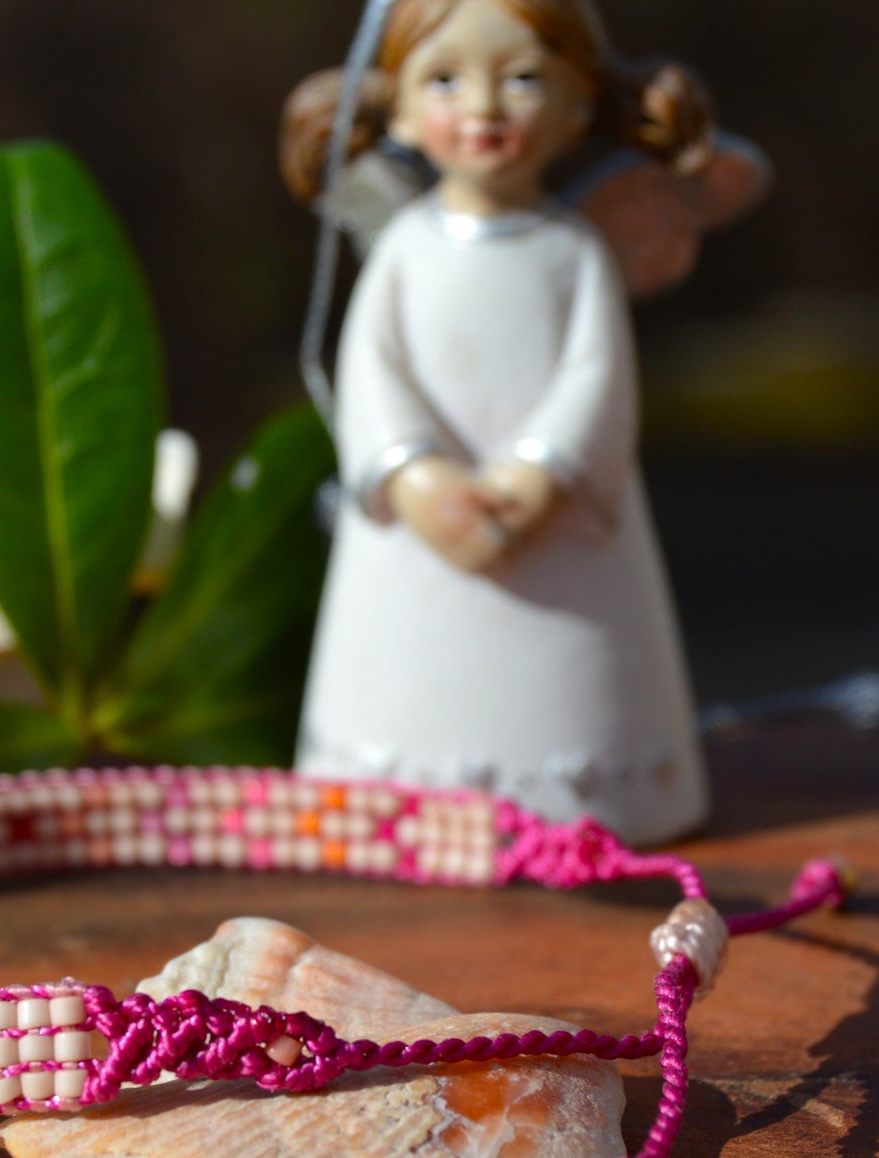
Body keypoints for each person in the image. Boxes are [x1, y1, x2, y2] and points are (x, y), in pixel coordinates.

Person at [286, 0, 727, 844]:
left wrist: (540, 471)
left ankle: (592, 795)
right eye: (443, 80)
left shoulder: (573, 254)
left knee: (564, 682)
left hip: (560, 538)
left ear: (578, 105)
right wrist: (415, 476)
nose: (483, 109)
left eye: (523, 79)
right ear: (397, 110)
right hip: (416, 544)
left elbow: (597, 376)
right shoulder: (405, 252)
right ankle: (396, 793)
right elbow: (372, 371)